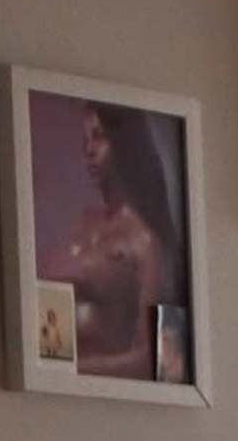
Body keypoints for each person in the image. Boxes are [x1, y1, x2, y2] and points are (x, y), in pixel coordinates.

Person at [64, 99, 182, 377]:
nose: (89, 150)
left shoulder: (143, 238)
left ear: (124, 143)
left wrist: (72, 371)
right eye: (85, 139)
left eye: (99, 137)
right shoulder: (82, 224)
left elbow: (151, 356)